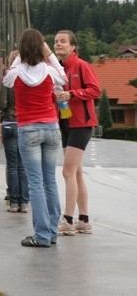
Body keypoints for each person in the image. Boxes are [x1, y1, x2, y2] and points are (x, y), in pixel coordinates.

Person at [3, 29, 67, 247]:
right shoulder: (49, 71)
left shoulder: (17, 72)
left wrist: (22, 54)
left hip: (28, 129)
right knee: (50, 181)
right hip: (51, 127)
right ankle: (52, 232)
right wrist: (49, 54)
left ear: (21, 49)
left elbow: (6, 79)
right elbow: (64, 77)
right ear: (42, 47)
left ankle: (41, 235)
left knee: (36, 183)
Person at [54, 29, 101, 236]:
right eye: (56, 41)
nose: (58, 44)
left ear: (73, 46)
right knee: (76, 172)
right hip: (65, 122)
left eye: (63, 41)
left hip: (82, 123)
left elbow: (95, 90)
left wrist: (72, 93)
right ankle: (84, 220)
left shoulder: (81, 66)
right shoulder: (57, 69)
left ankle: (68, 220)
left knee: (67, 172)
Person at [0, 49, 29, 213]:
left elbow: (1, 103)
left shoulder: (8, 77)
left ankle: (14, 202)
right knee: (23, 165)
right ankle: (24, 202)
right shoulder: (30, 77)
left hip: (9, 124)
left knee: (12, 165)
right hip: (24, 123)